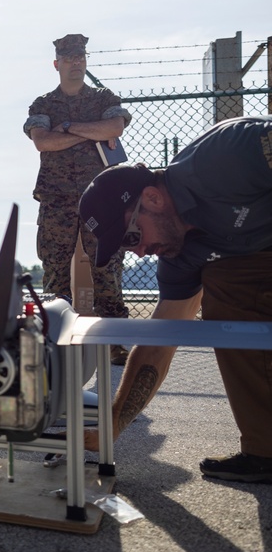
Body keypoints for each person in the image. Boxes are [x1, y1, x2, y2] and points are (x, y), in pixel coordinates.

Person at [79, 115, 272, 483]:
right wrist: (112, 428)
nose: (138, 254)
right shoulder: (180, 253)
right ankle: (267, 450)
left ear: (152, 198)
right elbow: (159, 341)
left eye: (131, 237)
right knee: (225, 287)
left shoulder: (227, 155)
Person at [23, 33, 132, 366]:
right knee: (55, 273)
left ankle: (115, 342)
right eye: (69, 59)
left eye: (81, 57)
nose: (76, 63)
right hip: (56, 199)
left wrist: (68, 127)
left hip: (101, 195)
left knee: (107, 269)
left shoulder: (103, 98)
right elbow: (43, 141)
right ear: (57, 64)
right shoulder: (43, 104)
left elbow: (113, 128)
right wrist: (88, 131)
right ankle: (56, 343)